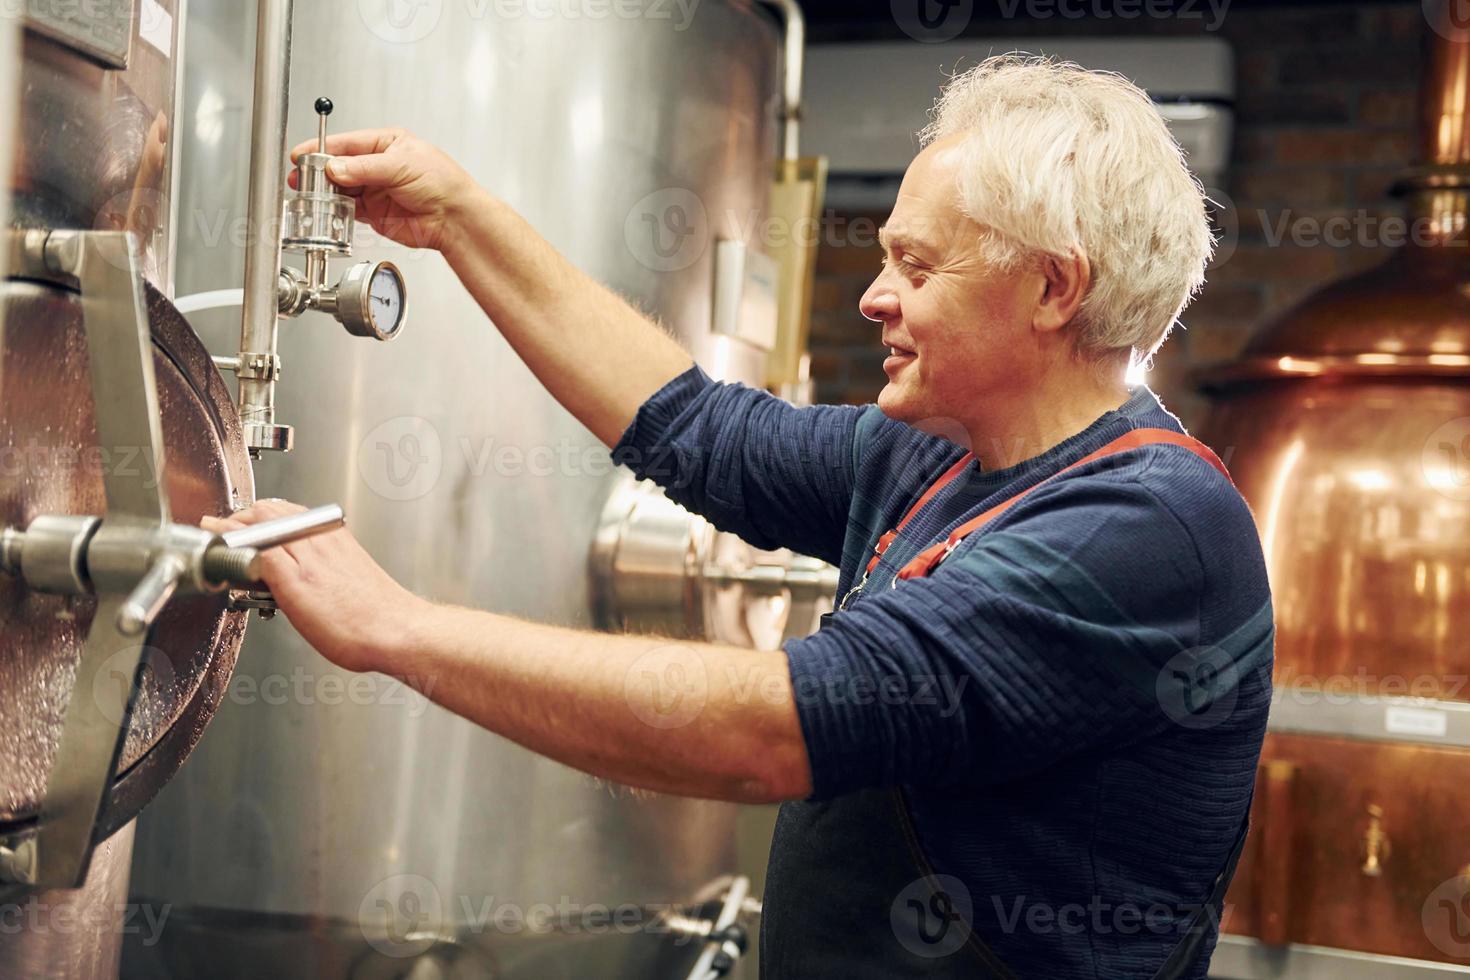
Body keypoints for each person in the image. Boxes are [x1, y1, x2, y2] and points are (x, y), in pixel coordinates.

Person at [210, 55, 1273, 978]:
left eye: (917, 264)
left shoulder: (1146, 530)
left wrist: (396, 626)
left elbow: (771, 729)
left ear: (1053, 288)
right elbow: (695, 427)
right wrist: (457, 217)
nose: (874, 295)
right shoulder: (940, 453)